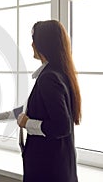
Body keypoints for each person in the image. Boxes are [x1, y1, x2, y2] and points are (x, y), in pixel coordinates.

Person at [17, 20, 81, 182]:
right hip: (59, 166)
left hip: (47, 169)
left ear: (43, 43)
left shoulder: (49, 78)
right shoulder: (63, 73)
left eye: (34, 39)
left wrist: (27, 123)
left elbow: (62, 126)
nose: (31, 44)